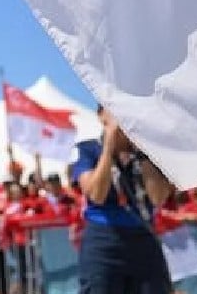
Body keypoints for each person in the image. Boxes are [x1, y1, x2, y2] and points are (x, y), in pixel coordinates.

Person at [69, 105, 175, 294]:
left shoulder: (148, 152)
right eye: (113, 109)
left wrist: (141, 153)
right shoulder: (87, 149)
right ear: (101, 116)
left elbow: (158, 197)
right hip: (104, 240)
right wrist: (109, 148)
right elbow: (96, 194)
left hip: (143, 236)